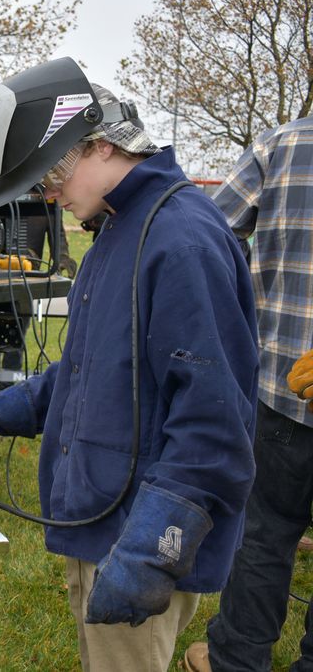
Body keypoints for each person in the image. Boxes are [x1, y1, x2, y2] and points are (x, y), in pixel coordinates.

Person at [0, 57, 259, 672]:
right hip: (105, 520)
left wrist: (151, 552)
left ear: (100, 144)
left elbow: (214, 422)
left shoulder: (180, 239)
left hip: (136, 531)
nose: (46, 197)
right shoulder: (117, 230)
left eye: (50, 180)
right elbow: (88, 370)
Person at [183, 116, 313, 672]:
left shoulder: (286, 144)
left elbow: (210, 233)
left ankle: (235, 659)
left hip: (282, 392)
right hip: (284, 389)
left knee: (264, 533)